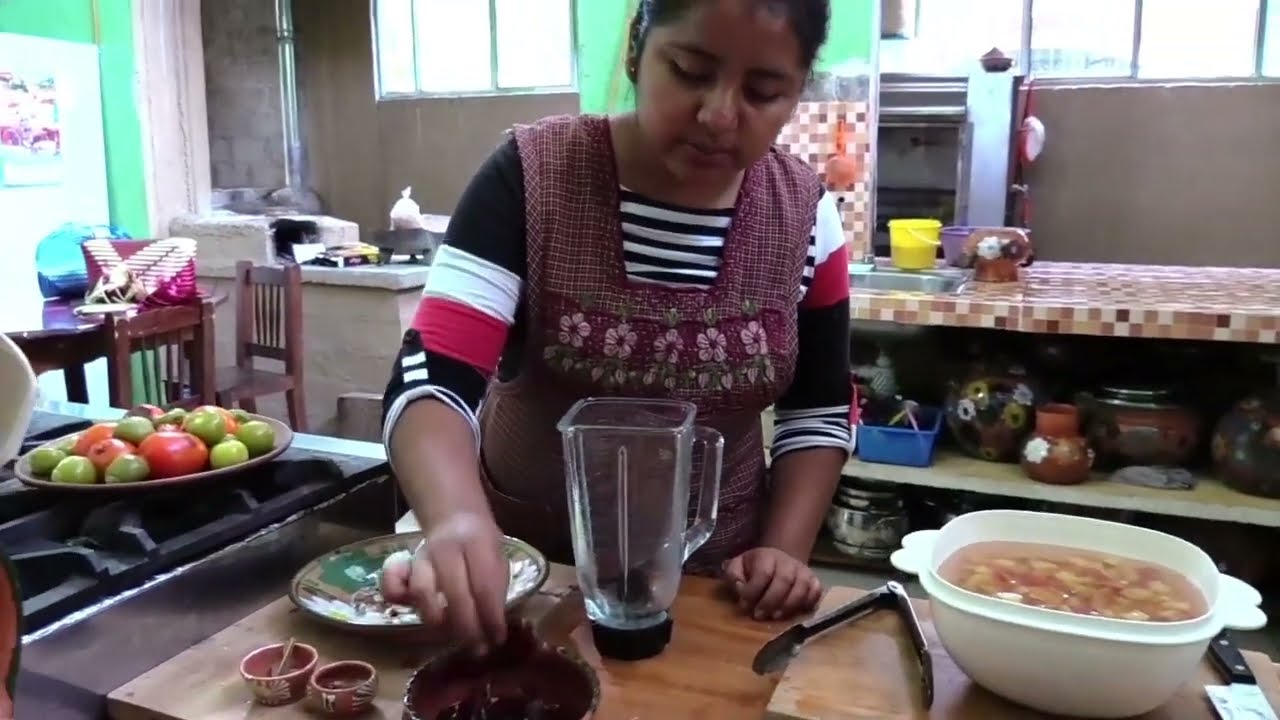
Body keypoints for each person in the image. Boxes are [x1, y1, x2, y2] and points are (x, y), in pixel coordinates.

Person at [382, 0, 849, 654]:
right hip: (528, 581)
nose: (719, 115)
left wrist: (782, 552)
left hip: (715, 596)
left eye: (764, 91)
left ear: (797, 92)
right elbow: (432, 377)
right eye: (689, 70)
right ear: (637, 47)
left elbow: (819, 411)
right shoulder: (531, 175)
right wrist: (456, 519)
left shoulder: (806, 214)